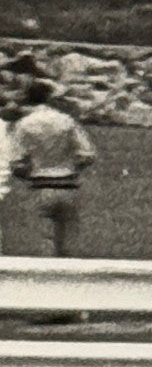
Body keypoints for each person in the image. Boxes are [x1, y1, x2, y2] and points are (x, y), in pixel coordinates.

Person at [9, 79, 96, 259]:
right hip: (68, 184)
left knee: (44, 242)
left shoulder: (24, 125)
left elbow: (16, 162)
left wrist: (28, 174)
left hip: (40, 185)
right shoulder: (66, 121)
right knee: (69, 241)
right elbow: (87, 154)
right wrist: (73, 168)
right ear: (49, 97)